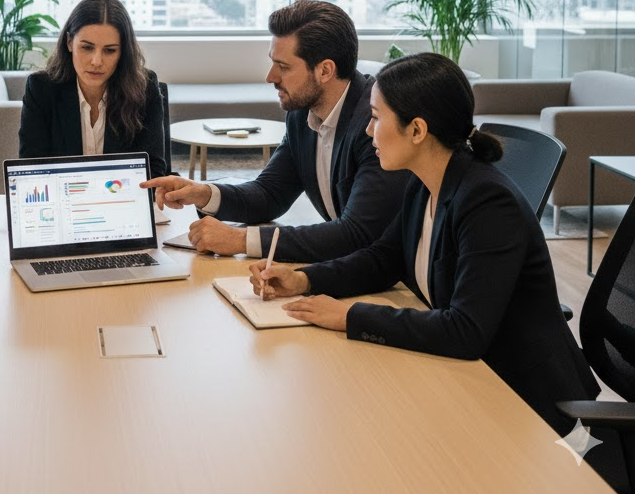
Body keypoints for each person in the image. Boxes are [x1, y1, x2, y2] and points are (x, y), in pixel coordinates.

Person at [250, 51, 599, 434]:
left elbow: (465, 331)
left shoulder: (487, 203)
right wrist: (303, 279)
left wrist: (349, 316)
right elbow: (383, 259)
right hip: (469, 379)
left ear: (417, 130)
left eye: (376, 118)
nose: (367, 131)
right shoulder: (425, 181)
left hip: (529, 407)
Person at [143, 0, 409, 261]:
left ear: (325, 70)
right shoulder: (302, 114)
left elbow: (357, 234)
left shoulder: (375, 125)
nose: (270, 77)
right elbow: (270, 195)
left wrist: (241, 240)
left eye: (283, 66)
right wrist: (202, 193)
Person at [19, 0, 167, 178]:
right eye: (87, 48)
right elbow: (31, 168)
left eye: (110, 50)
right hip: (63, 196)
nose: (97, 61)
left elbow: (153, 171)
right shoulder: (41, 89)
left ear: (123, 52)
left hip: (121, 195)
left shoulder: (145, 88)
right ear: (69, 42)